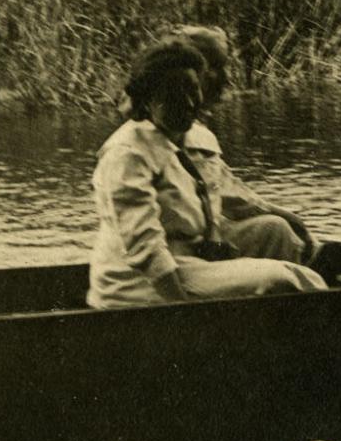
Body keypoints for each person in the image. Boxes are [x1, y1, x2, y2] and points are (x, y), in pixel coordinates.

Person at [88, 36, 326, 308]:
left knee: (276, 231)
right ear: (147, 102)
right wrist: (187, 312)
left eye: (193, 90)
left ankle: (258, 330)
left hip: (192, 256)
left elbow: (232, 196)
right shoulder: (128, 154)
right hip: (144, 282)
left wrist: (293, 220)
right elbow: (145, 248)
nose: (190, 103)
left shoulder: (191, 138)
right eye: (175, 96)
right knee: (281, 279)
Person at [169, 24, 318, 265]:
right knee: (277, 229)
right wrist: (290, 218)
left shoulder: (192, 130)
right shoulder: (186, 134)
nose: (227, 79)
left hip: (191, 241)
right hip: (181, 253)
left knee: (274, 228)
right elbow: (233, 199)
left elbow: (227, 193)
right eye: (216, 68)